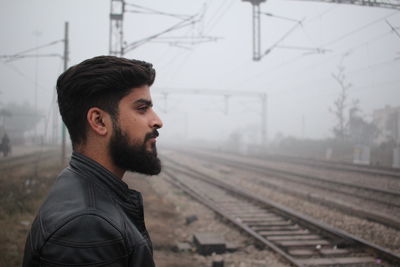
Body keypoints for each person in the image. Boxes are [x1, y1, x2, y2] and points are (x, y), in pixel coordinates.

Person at [23, 56, 163, 267]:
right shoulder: (87, 227)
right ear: (99, 121)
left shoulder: (77, 183)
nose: (157, 121)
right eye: (142, 108)